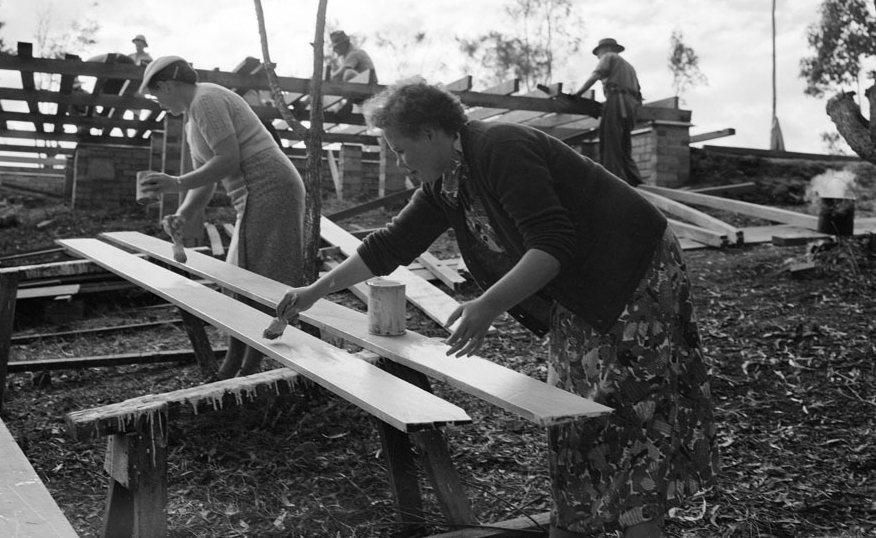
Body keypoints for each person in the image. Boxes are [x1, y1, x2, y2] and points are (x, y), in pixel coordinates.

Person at [276, 80, 718, 538]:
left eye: (401, 150)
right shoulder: (446, 182)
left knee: (626, 413)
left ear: (430, 133)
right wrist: (314, 291)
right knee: (572, 414)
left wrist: (486, 306)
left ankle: (636, 526)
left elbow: (552, 245)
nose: (399, 162)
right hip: (581, 287)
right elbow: (389, 245)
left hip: (634, 271)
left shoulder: (500, 148)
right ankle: (574, 524)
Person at [138, 55, 305, 379]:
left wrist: (176, 183)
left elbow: (228, 160)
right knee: (237, 282)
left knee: (252, 282)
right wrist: (183, 213)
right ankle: (235, 366)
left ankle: (246, 371)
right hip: (255, 192)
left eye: (156, 95)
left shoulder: (207, 99)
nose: (159, 103)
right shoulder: (192, 119)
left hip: (269, 186)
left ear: (168, 85)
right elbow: (208, 179)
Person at [575, 37, 643, 186]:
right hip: (631, 106)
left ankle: (611, 182)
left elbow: (596, 74)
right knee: (624, 145)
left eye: (599, 53)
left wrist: (578, 94)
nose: (598, 57)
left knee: (609, 141)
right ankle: (634, 181)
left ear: (607, 49)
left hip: (617, 100)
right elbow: (639, 93)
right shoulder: (629, 67)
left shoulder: (609, 57)